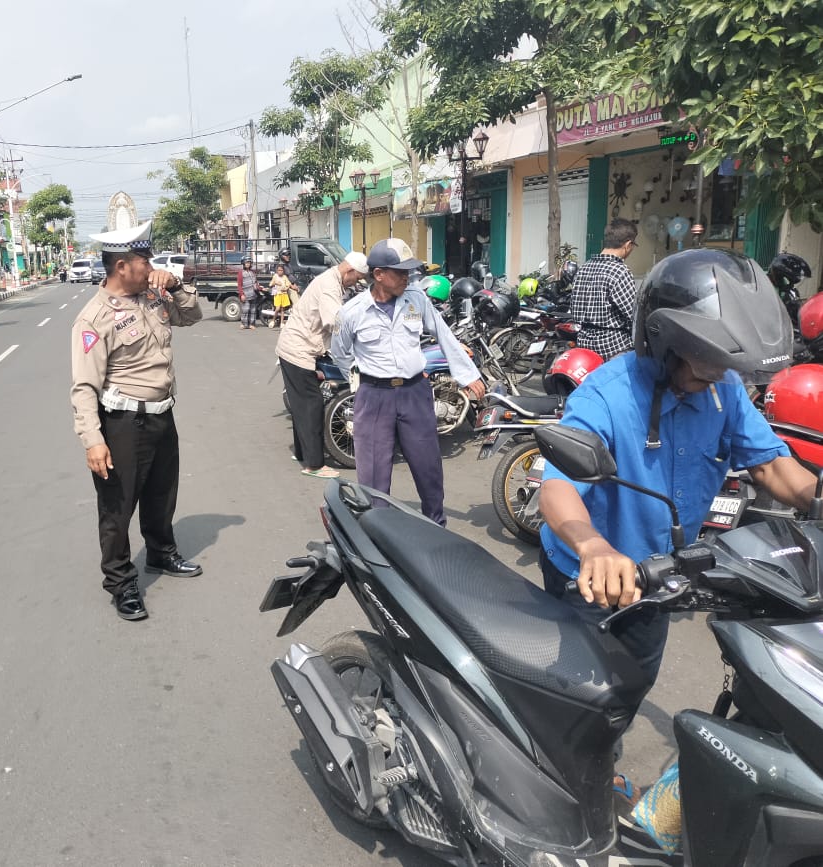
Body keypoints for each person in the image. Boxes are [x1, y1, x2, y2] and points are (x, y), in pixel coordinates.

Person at [539, 248, 815, 799]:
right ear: (667, 343)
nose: (724, 375)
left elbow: (771, 464)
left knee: (634, 677)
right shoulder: (608, 394)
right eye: (711, 361)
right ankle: (572, 777)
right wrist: (593, 546)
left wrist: (815, 493)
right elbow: (557, 485)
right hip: (592, 571)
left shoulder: (723, 389)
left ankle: (593, 748)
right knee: (585, 690)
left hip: (662, 570)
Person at [70, 220, 204, 622]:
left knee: (162, 493)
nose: (151, 265)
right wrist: (93, 440)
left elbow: (191, 317)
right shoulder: (93, 318)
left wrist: (177, 288)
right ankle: (120, 581)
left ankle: (161, 553)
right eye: (143, 259)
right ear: (121, 266)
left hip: (163, 415)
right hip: (123, 423)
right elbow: (83, 386)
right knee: (117, 506)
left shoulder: (152, 297)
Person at [331, 239, 486, 524]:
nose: (407, 277)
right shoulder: (352, 312)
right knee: (374, 476)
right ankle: (379, 532)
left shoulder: (415, 299)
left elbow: (443, 334)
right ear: (378, 275)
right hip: (374, 397)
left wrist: (468, 374)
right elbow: (339, 353)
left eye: (409, 272)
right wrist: (361, 381)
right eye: (400, 272)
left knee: (428, 467)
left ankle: (436, 527)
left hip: (415, 393)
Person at [276, 251, 369, 479]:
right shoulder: (329, 286)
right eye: (356, 279)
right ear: (348, 271)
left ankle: (302, 453)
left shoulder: (332, 281)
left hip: (293, 346)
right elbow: (335, 323)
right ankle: (314, 464)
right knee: (312, 404)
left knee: (301, 404)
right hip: (299, 350)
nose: (354, 284)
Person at [569, 218, 640, 359]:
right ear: (628, 245)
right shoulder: (620, 271)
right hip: (613, 347)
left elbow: (574, 309)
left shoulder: (584, 268)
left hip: (583, 344)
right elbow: (634, 314)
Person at [237, 256, 260, 330]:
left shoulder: (252, 272)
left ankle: (251, 324)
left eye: (249, 263)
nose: (248, 264)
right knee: (245, 309)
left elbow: (255, 283)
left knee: (253, 310)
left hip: (253, 294)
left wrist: (260, 288)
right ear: (243, 263)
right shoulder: (241, 273)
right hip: (245, 295)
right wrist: (241, 295)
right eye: (246, 262)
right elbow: (239, 285)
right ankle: (244, 324)